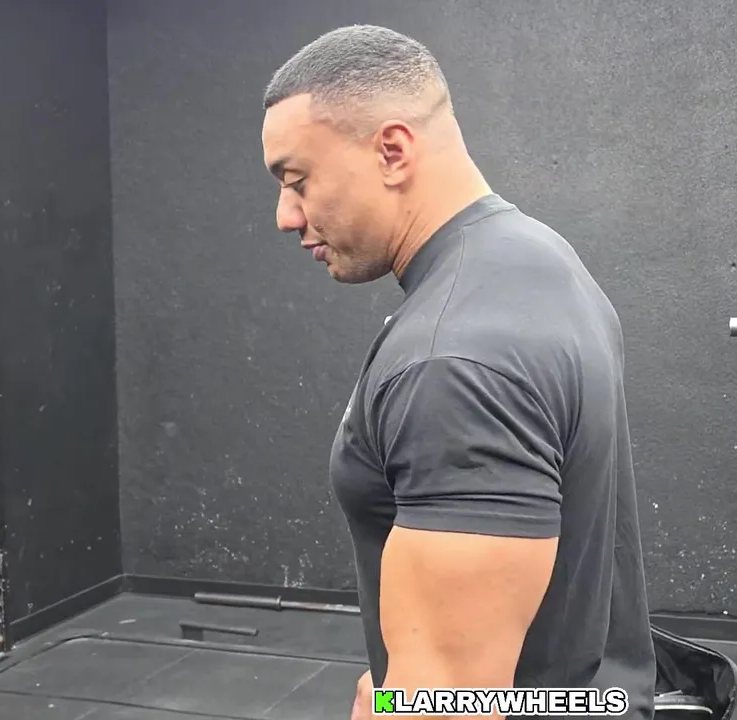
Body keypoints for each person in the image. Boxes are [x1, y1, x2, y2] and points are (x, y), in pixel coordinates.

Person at [260, 25, 656, 720]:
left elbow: (446, 705)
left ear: (392, 151)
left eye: (298, 182)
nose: (285, 217)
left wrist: (400, 701)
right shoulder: (538, 254)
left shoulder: (452, 363)